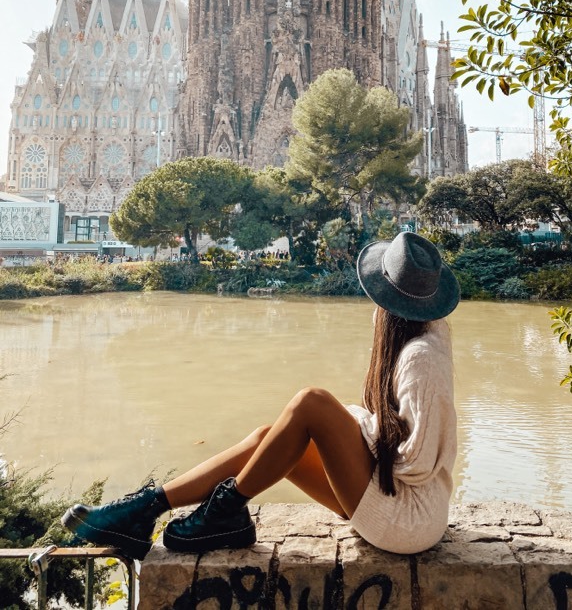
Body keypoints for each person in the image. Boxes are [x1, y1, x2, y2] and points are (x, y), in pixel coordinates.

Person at [61, 231, 459, 560]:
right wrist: (359, 428)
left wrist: (356, 425)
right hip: (393, 498)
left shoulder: (420, 357)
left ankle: (220, 514)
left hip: (408, 518)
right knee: (266, 438)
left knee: (312, 403)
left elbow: (417, 463)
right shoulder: (413, 341)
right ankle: (144, 509)